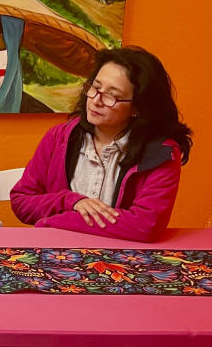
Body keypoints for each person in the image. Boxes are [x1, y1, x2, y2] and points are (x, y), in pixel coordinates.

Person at [11, 47, 192, 241]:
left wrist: (52, 222)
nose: (96, 101)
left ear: (137, 108)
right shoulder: (59, 137)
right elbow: (22, 201)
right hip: (57, 252)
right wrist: (70, 202)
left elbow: (146, 226)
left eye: (112, 95)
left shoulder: (161, 152)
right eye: (95, 87)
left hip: (124, 260)